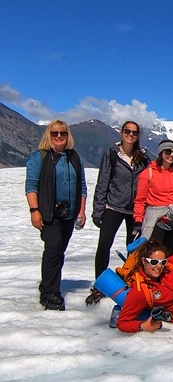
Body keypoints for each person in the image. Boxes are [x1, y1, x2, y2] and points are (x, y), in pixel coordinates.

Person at [25, 120, 87, 311]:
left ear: (68, 136)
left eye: (63, 133)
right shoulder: (40, 157)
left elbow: (82, 186)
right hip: (48, 213)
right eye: (54, 133)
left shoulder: (74, 157)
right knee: (53, 249)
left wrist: (82, 210)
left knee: (59, 251)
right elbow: (31, 185)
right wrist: (35, 211)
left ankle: (47, 285)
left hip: (68, 214)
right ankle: (50, 294)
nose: (59, 136)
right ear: (48, 135)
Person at [87, 121, 150, 305]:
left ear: (138, 135)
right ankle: (100, 284)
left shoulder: (143, 158)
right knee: (104, 244)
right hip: (113, 207)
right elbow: (103, 182)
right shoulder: (112, 155)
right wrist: (98, 210)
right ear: (122, 133)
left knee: (133, 248)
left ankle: (129, 281)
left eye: (134, 132)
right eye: (127, 131)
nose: (130, 134)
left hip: (134, 210)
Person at [133, 139, 173, 256]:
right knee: (155, 259)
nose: (172, 155)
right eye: (168, 151)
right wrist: (138, 221)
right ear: (161, 152)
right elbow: (140, 201)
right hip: (156, 222)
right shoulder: (148, 174)